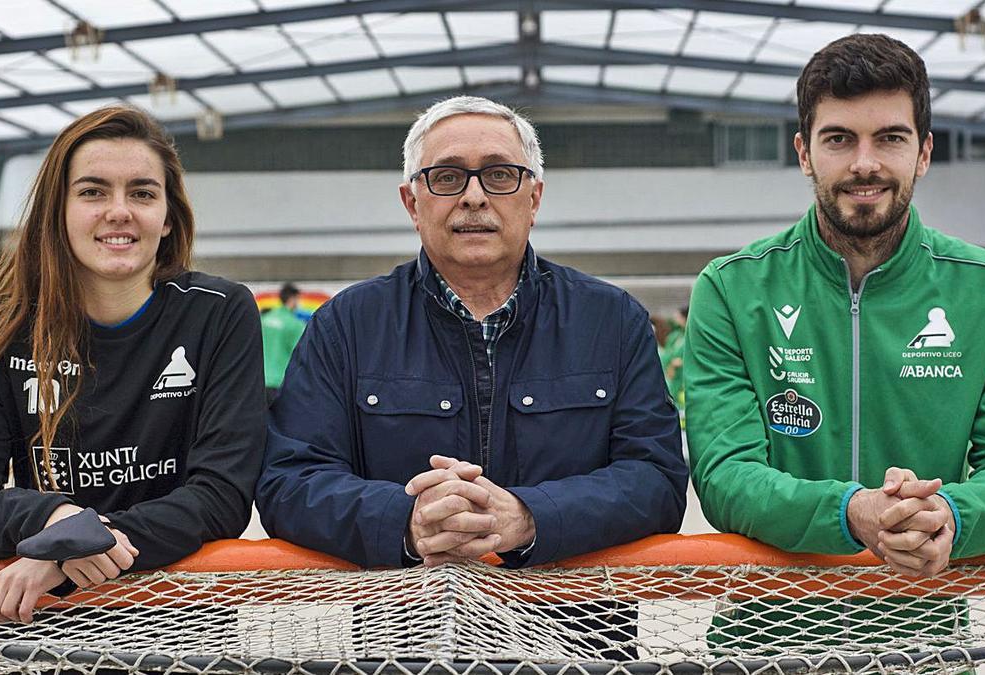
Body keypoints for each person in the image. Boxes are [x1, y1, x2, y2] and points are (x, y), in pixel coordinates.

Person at [257, 96, 687, 572]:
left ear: (534, 197)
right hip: (403, 640)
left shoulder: (612, 320)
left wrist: (529, 516)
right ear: (412, 202)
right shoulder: (347, 326)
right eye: (447, 177)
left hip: (574, 638)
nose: (475, 197)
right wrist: (408, 520)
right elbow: (290, 481)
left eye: (500, 174)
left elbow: (657, 479)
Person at [684, 34, 985, 580]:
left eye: (889, 138)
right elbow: (724, 475)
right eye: (839, 139)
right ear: (804, 153)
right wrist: (852, 512)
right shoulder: (732, 289)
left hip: (928, 641)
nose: (865, 163)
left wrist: (951, 516)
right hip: (765, 644)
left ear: (923, 152)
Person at [0, 106, 266, 625]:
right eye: (92, 191)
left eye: (142, 193)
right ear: (57, 211)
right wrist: (56, 522)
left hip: (188, 618)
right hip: (52, 622)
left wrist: (75, 547)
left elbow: (221, 494)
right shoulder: (6, 326)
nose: (119, 210)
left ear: (168, 216)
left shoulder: (218, 312)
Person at [261, 282, 306, 401]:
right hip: (280, 381)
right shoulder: (295, 325)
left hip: (260, 380)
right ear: (292, 299)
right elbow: (302, 354)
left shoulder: (264, 319)